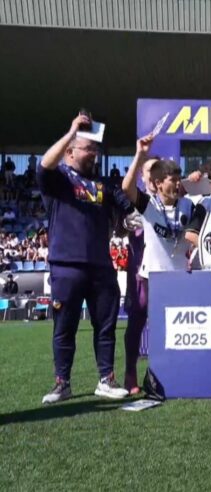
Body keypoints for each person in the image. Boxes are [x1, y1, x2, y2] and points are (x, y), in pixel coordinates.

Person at [38, 113, 132, 404]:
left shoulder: (103, 184)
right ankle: (61, 383)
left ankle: (106, 379)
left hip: (102, 267)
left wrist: (132, 218)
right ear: (70, 151)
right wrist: (71, 131)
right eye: (88, 148)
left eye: (96, 149)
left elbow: (128, 204)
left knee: (105, 327)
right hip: (66, 266)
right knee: (64, 328)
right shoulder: (57, 180)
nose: (94, 153)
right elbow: (44, 163)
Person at [121, 134, 196, 394]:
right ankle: (130, 372)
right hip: (150, 277)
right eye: (172, 180)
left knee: (176, 328)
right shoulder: (149, 205)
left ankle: (171, 375)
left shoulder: (189, 204)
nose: (176, 184)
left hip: (178, 278)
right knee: (137, 324)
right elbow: (127, 187)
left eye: (178, 179)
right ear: (157, 184)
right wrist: (140, 154)